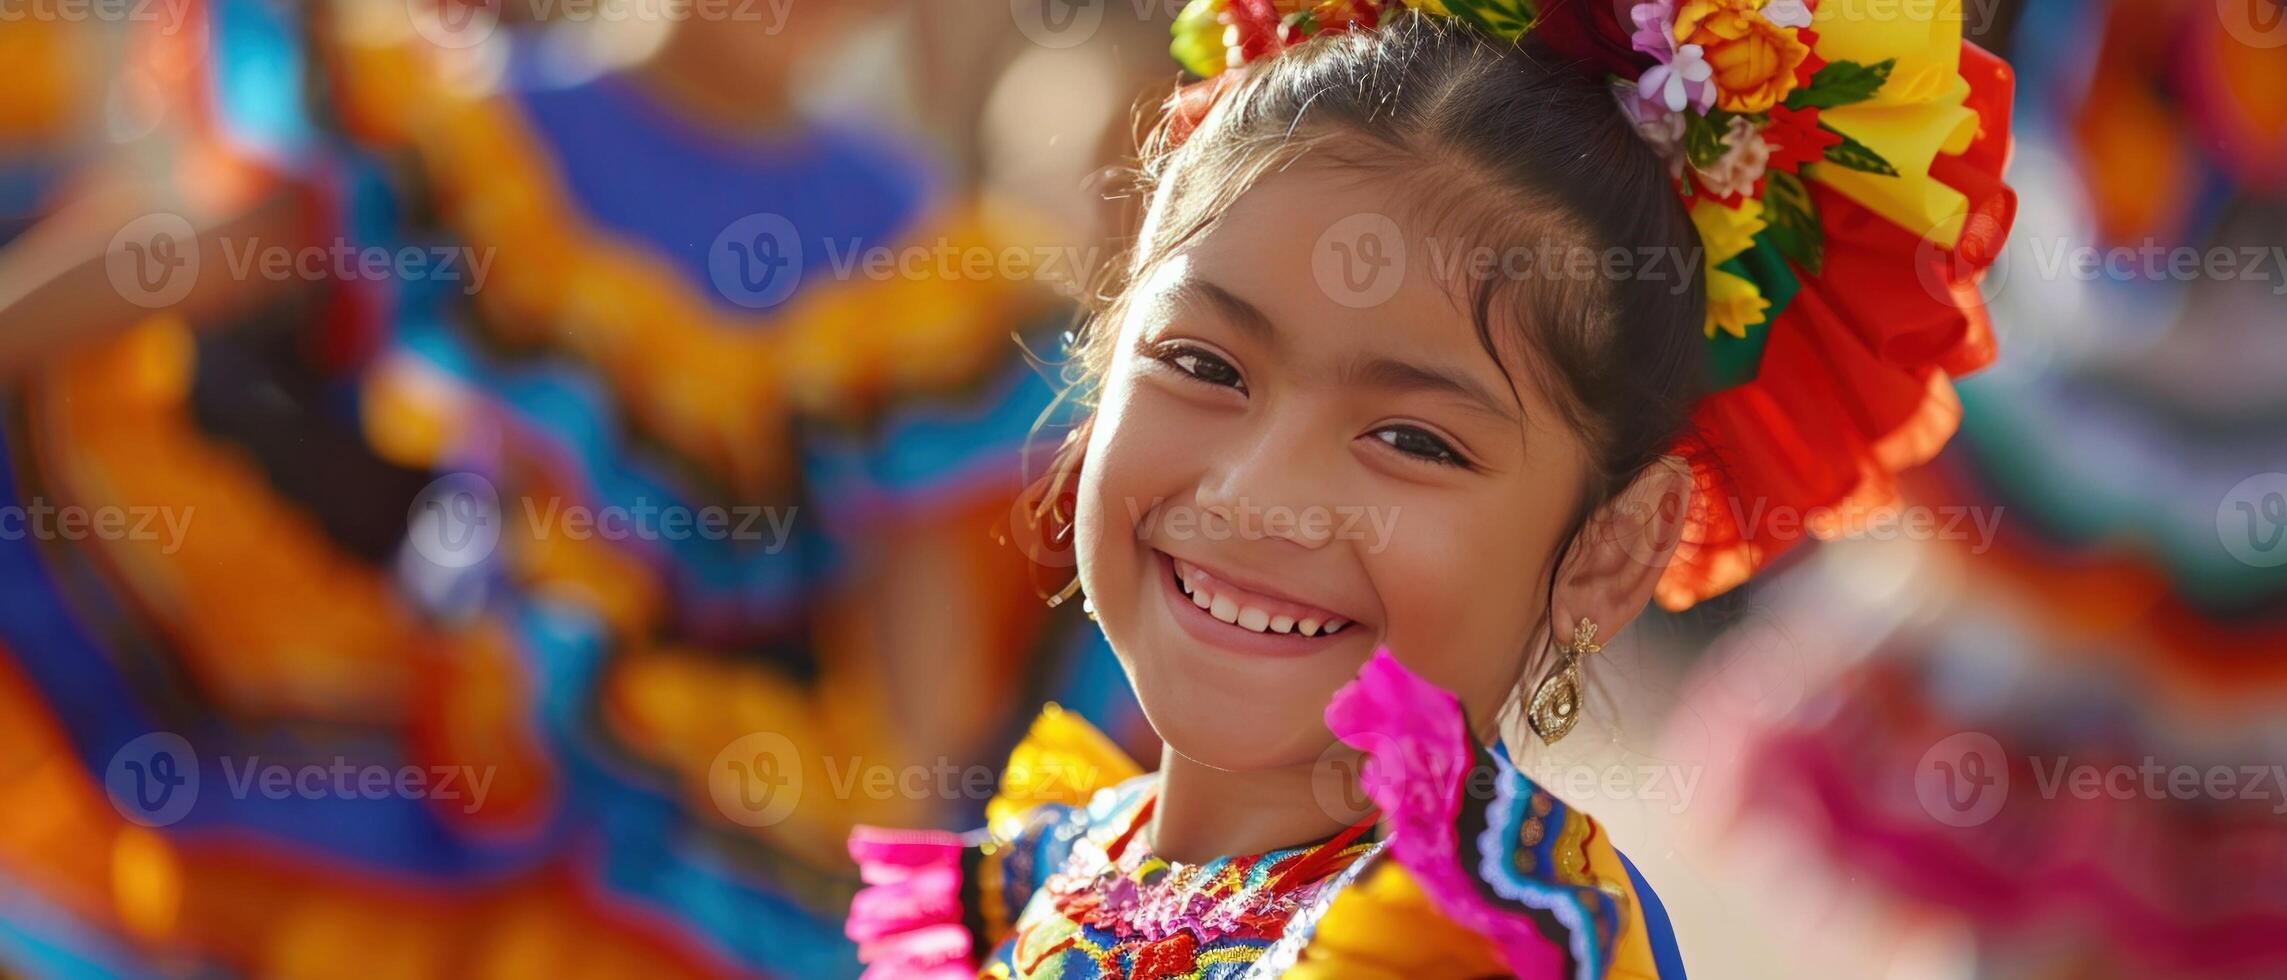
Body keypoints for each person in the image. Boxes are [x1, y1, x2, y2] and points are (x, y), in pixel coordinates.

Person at [846, 0, 2016, 975]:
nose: (1259, 494)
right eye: (1203, 366)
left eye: (1412, 439)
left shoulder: (1479, 939)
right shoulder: (1038, 865)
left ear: (1611, 547)